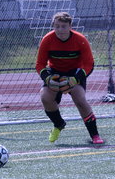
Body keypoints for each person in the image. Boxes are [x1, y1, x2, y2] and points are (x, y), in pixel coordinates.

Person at [35, 12, 104, 145]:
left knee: (80, 99)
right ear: (53, 26)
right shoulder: (47, 39)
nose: (60, 30)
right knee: (45, 97)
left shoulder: (80, 39)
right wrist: (48, 78)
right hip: (55, 72)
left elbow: (89, 64)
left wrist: (75, 79)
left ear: (70, 27)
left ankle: (95, 134)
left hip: (74, 73)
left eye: (64, 26)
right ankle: (59, 124)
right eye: (57, 26)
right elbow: (39, 64)